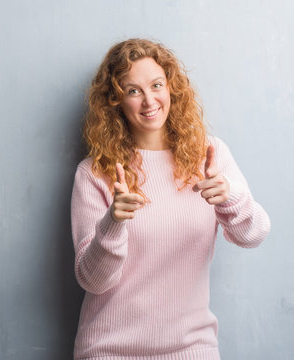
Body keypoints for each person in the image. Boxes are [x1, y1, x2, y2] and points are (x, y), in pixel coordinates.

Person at [70, 38, 271, 359]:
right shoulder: (95, 173)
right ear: (115, 102)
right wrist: (113, 223)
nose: (149, 100)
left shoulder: (209, 154)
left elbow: (255, 234)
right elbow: (93, 281)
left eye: (156, 85)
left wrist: (229, 197)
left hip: (192, 348)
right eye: (133, 91)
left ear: (171, 87)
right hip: (110, 351)